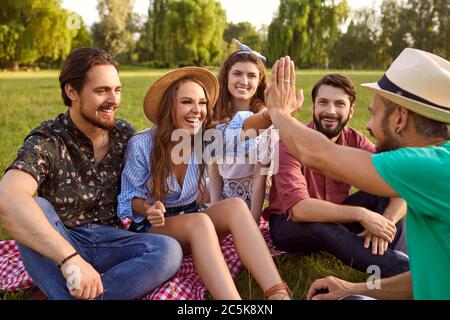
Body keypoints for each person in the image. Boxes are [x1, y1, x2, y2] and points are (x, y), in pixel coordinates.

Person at [252, 48, 449, 299]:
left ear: (400, 117)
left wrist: (279, 112)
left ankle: (389, 260)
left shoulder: (428, 167)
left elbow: (317, 154)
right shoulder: (435, 162)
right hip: (295, 222)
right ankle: (392, 262)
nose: (368, 126)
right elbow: (421, 279)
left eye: (374, 113)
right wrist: (353, 287)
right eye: (323, 102)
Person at [0, 48, 183, 300]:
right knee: (35, 207)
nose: (114, 100)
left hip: (111, 242)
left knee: (168, 251)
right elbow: (7, 198)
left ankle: (68, 293)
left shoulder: (124, 135)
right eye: (101, 91)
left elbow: (151, 179)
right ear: (72, 92)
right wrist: (70, 259)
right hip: (62, 239)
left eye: (117, 89)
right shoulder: (48, 140)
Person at [117, 66, 292, 300]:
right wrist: (149, 209)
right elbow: (128, 199)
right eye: (187, 102)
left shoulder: (202, 139)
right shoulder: (142, 144)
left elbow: (241, 132)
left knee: (236, 206)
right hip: (155, 230)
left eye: (201, 103)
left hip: (192, 220)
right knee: (199, 221)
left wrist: (272, 114)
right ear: (170, 106)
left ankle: (277, 293)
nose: (197, 110)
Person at [262, 74, 409, 277]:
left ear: (351, 111)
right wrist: (361, 214)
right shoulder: (290, 143)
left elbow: (401, 184)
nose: (330, 111)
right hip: (289, 225)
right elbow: (299, 209)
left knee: (386, 195)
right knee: (323, 227)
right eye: (323, 102)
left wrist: (387, 222)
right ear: (314, 107)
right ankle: (403, 270)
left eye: (339, 104)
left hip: (336, 216)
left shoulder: (355, 139)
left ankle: (396, 261)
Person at [207, 40, 273, 221]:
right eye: (237, 73)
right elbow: (214, 169)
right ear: (227, 77)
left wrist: (254, 218)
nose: (244, 81)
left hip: (252, 198)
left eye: (251, 75)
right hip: (222, 190)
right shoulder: (217, 115)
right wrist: (214, 206)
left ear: (259, 81)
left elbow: (261, 175)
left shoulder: (263, 117)